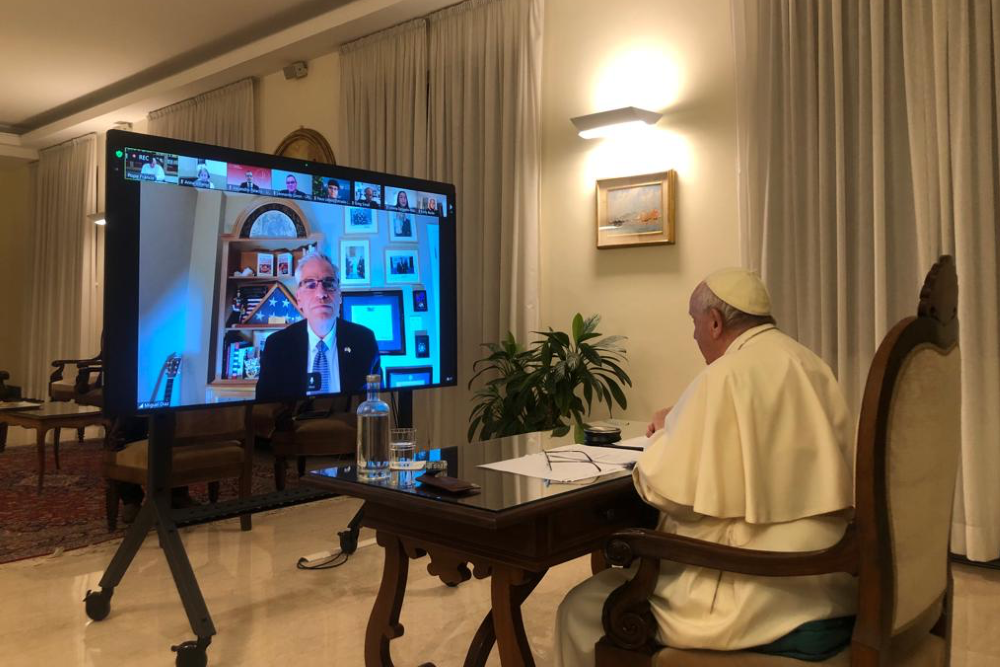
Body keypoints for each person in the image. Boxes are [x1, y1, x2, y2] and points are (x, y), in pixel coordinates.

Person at [555, 268, 857, 666]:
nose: (694, 336)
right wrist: (679, 417)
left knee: (581, 607)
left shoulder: (726, 374)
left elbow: (663, 488)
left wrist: (663, 434)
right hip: (827, 581)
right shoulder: (811, 363)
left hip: (756, 594)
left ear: (715, 322)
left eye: (694, 324)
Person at [256, 251, 380, 401]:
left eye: (329, 283)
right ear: (299, 299)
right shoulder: (277, 346)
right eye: (310, 284)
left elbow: (376, 404)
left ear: (339, 295)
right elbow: (263, 411)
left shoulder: (364, 341)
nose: (321, 293)